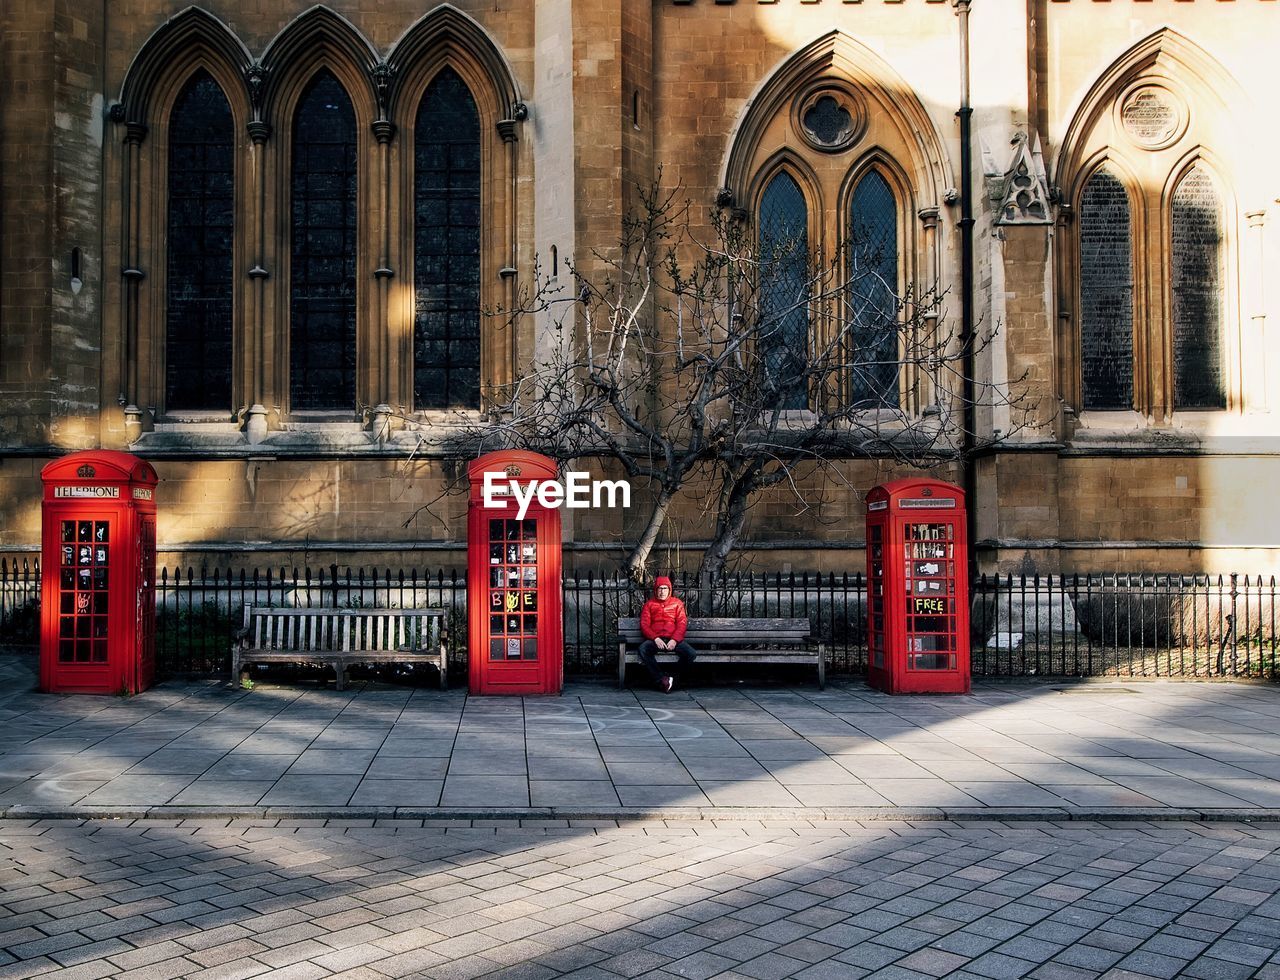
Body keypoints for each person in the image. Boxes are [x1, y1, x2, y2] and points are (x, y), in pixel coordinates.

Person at [638, 575, 696, 693]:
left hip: (673, 639)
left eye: (665, 588)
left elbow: (682, 623)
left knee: (691, 653)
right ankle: (661, 679)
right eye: (659, 588)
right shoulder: (649, 605)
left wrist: (674, 639)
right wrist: (655, 638)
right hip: (656, 639)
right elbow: (644, 625)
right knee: (643, 649)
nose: (662, 591)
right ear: (655, 590)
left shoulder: (677, 603)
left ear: (669, 590)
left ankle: (671, 678)